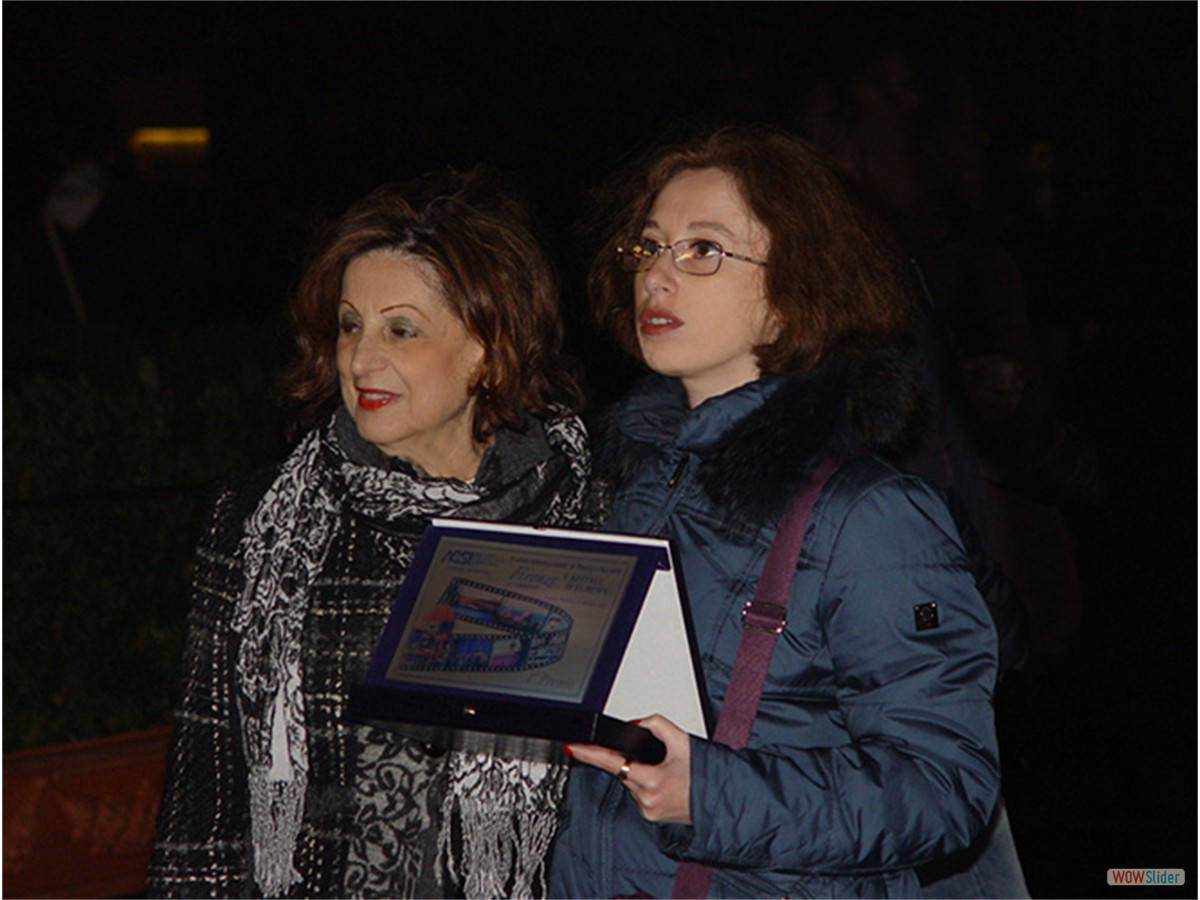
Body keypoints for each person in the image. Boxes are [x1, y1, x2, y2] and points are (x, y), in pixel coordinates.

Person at [548, 127, 1000, 899]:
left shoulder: (871, 517)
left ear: (796, 293)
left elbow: (941, 787)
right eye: (649, 247)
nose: (658, 275)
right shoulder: (620, 485)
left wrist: (712, 794)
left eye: (703, 250)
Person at [147, 167, 602, 899]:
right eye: (351, 324)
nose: (360, 359)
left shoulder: (581, 520)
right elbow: (207, 787)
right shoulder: (260, 521)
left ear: (488, 349)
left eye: (402, 329)